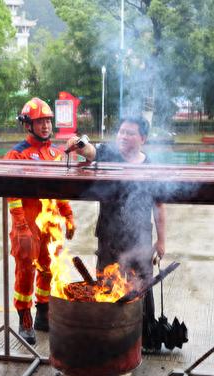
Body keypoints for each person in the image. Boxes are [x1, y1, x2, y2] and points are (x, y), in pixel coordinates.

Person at [65, 116, 166, 348]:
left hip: (139, 236)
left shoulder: (151, 167)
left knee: (141, 285)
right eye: (121, 132)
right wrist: (79, 144)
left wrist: (161, 241)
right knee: (106, 284)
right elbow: (89, 151)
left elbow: (159, 205)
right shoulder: (109, 155)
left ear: (143, 138)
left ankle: (143, 337)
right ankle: (107, 335)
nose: (123, 136)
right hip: (109, 236)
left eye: (130, 133)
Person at [5, 97, 75, 345]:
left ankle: (43, 314)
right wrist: (21, 225)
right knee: (25, 272)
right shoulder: (17, 154)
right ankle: (24, 318)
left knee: (48, 269)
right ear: (28, 124)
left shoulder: (56, 153)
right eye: (39, 121)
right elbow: (12, 194)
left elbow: (60, 189)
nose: (45, 126)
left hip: (51, 225)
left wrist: (67, 214)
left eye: (48, 121)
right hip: (28, 226)